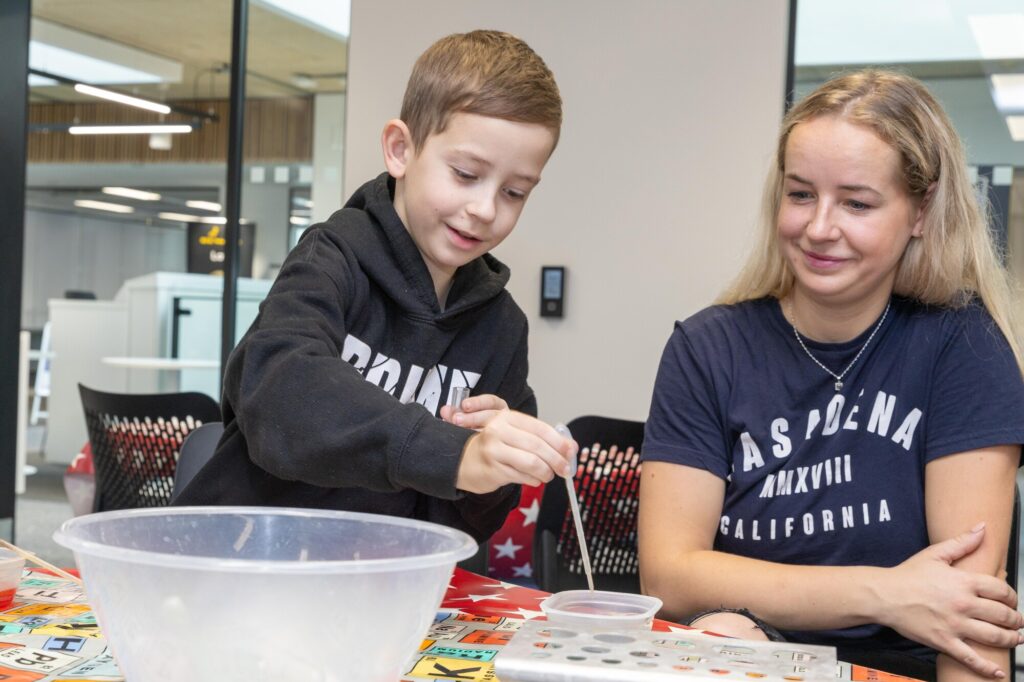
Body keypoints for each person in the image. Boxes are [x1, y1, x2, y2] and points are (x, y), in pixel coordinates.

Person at [638, 69, 1024, 682]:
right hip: (751, 653)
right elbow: (671, 576)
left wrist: (907, 605)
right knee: (723, 632)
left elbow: (969, 613)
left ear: (921, 210)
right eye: (800, 194)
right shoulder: (706, 348)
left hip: (900, 666)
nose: (819, 228)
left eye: (857, 202)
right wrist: (886, 593)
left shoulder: (962, 345)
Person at [175, 30, 576, 542]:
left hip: (384, 583)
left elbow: (481, 518)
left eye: (515, 192)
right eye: (465, 174)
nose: (485, 209)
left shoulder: (500, 326)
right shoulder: (331, 259)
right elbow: (280, 394)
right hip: (246, 558)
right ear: (400, 150)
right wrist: (452, 453)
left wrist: (495, 465)